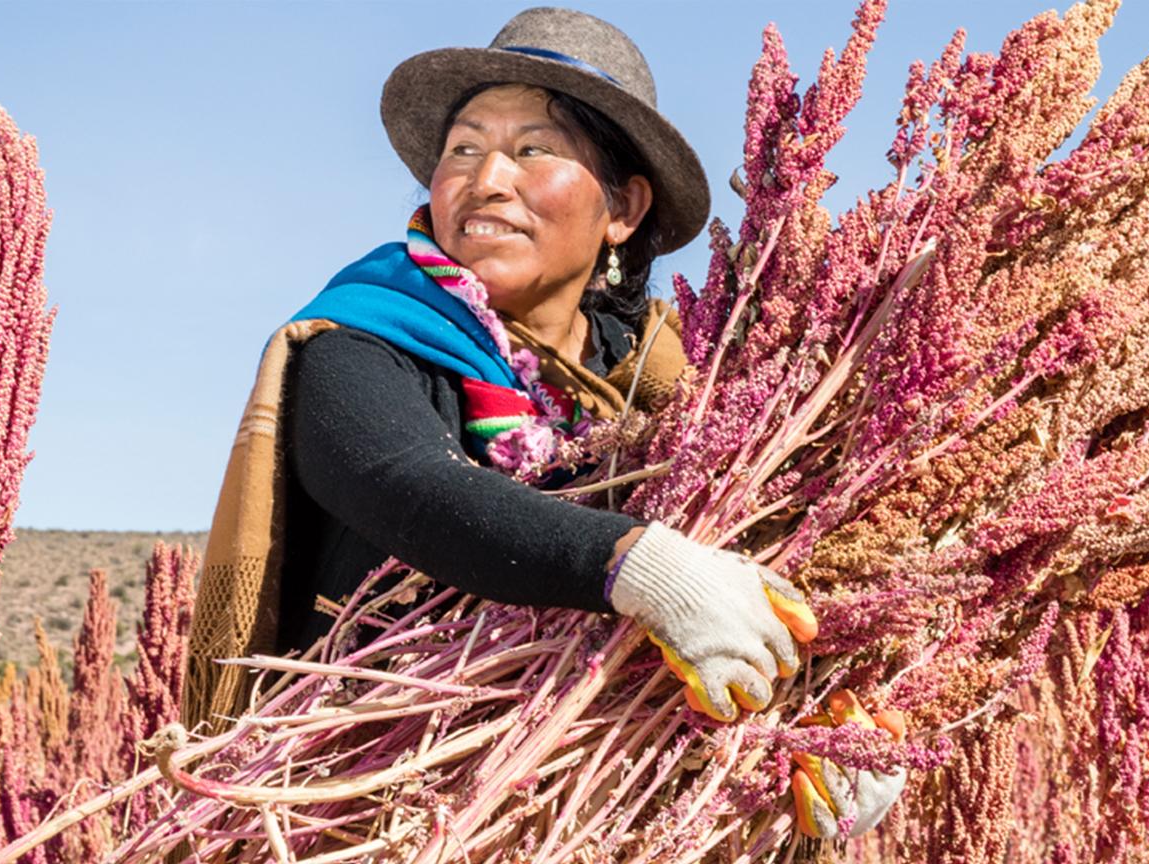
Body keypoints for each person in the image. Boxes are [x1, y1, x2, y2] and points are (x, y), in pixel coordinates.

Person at [181, 7, 902, 840]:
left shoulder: (686, 395)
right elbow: (409, 485)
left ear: (624, 208)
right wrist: (643, 565)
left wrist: (809, 747)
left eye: (533, 150)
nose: (486, 178)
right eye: (463, 148)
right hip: (370, 816)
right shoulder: (361, 339)